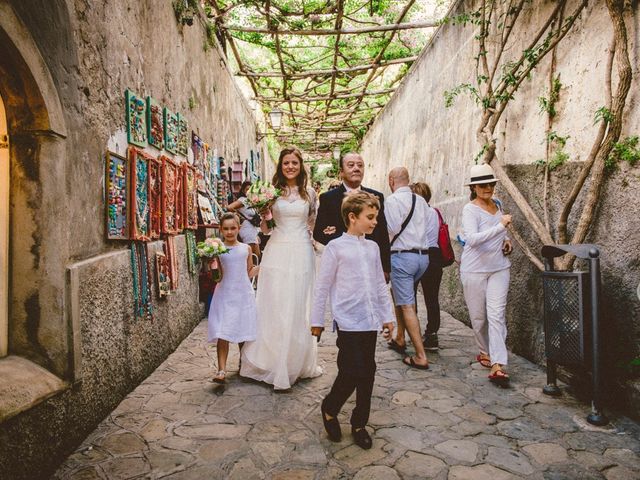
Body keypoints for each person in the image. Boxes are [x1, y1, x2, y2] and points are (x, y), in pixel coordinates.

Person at [310, 191, 395, 449]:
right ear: (352, 217)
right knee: (350, 371)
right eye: (370, 217)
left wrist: (388, 317)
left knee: (367, 372)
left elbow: (380, 286)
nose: (375, 222)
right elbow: (322, 286)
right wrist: (317, 320)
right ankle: (330, 407)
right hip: (347, 320)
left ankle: (359, 423)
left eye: (376, 216)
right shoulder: (336, 247)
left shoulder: (373, 247)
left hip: (369, 320)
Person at [240, 147, 322, 390]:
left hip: (301, 250)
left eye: (294, 163)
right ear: (281, 166)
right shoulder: (271, 193)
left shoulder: (309, 194)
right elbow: (266, 231)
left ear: (300, 165)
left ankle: (296, 361)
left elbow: (313, 224)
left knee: (297, 304)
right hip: (276, 249)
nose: (290, 167)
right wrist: (265, 216)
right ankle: (272, 360)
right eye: (286, 163)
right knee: (275, 303)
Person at [459, 163, 513, 386]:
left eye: (490, 183)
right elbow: (472, 239)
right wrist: (501, 227)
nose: (488, 188)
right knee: (479, 318)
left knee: (496, 314)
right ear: (474, 187)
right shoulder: (469, 210)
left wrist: (506, 240)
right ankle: (484, 351)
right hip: (474, 269)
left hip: (499, 267)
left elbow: (502, 232)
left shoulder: (497, 204)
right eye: (482, 185)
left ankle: (498, 364)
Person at [385, 167, 437, 369]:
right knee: (401, 295)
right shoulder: (422, 201)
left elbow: (391, 229)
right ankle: (400, 337)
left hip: (402, 256)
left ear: (391, 181)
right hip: (423, 257)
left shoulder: (392, 201)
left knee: (407, 305)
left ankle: (420, 355)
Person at [313, 152, 390, 276]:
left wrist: (385, 267)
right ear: (341, 172)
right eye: (351, 165)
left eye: (360, 165)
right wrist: (343, 243)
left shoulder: (376, 196)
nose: (356, 168)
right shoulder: (328, 198)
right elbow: (318, 232)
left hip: (369, 263)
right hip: (341, 264)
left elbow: (382, 233)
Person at [207, 213, 258, 384]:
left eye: (233, 228)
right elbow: (217, 278)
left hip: (243, 293)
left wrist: (265, 267)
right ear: (220, 229)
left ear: (239, 228)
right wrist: (213, 264)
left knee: (243, 331)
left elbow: (249, 271)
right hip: (225, 294)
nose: (229, 232)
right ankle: (221, 370)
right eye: (226, 229)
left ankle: (243, 365)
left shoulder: (246, 248)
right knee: (223, 331)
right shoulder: (218, 249)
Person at [411, 182, 444, 351]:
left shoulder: (414, 213)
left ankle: (413, 331)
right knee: (432, 298)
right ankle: (432, 334)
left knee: (411, 296)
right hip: (435, 256)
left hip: (417, 254)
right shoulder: (434, 212)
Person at [226, 181, 261, 260]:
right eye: (247, 189)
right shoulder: (243, 200)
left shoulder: (251, 201)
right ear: (243, 190)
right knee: (251, 254)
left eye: (251, 190)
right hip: (247, 229)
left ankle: (251, 270)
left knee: (256, 255)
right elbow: (229, 207)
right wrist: (239, 216)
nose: (249, 191)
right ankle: (248, 270)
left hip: (253, 229)